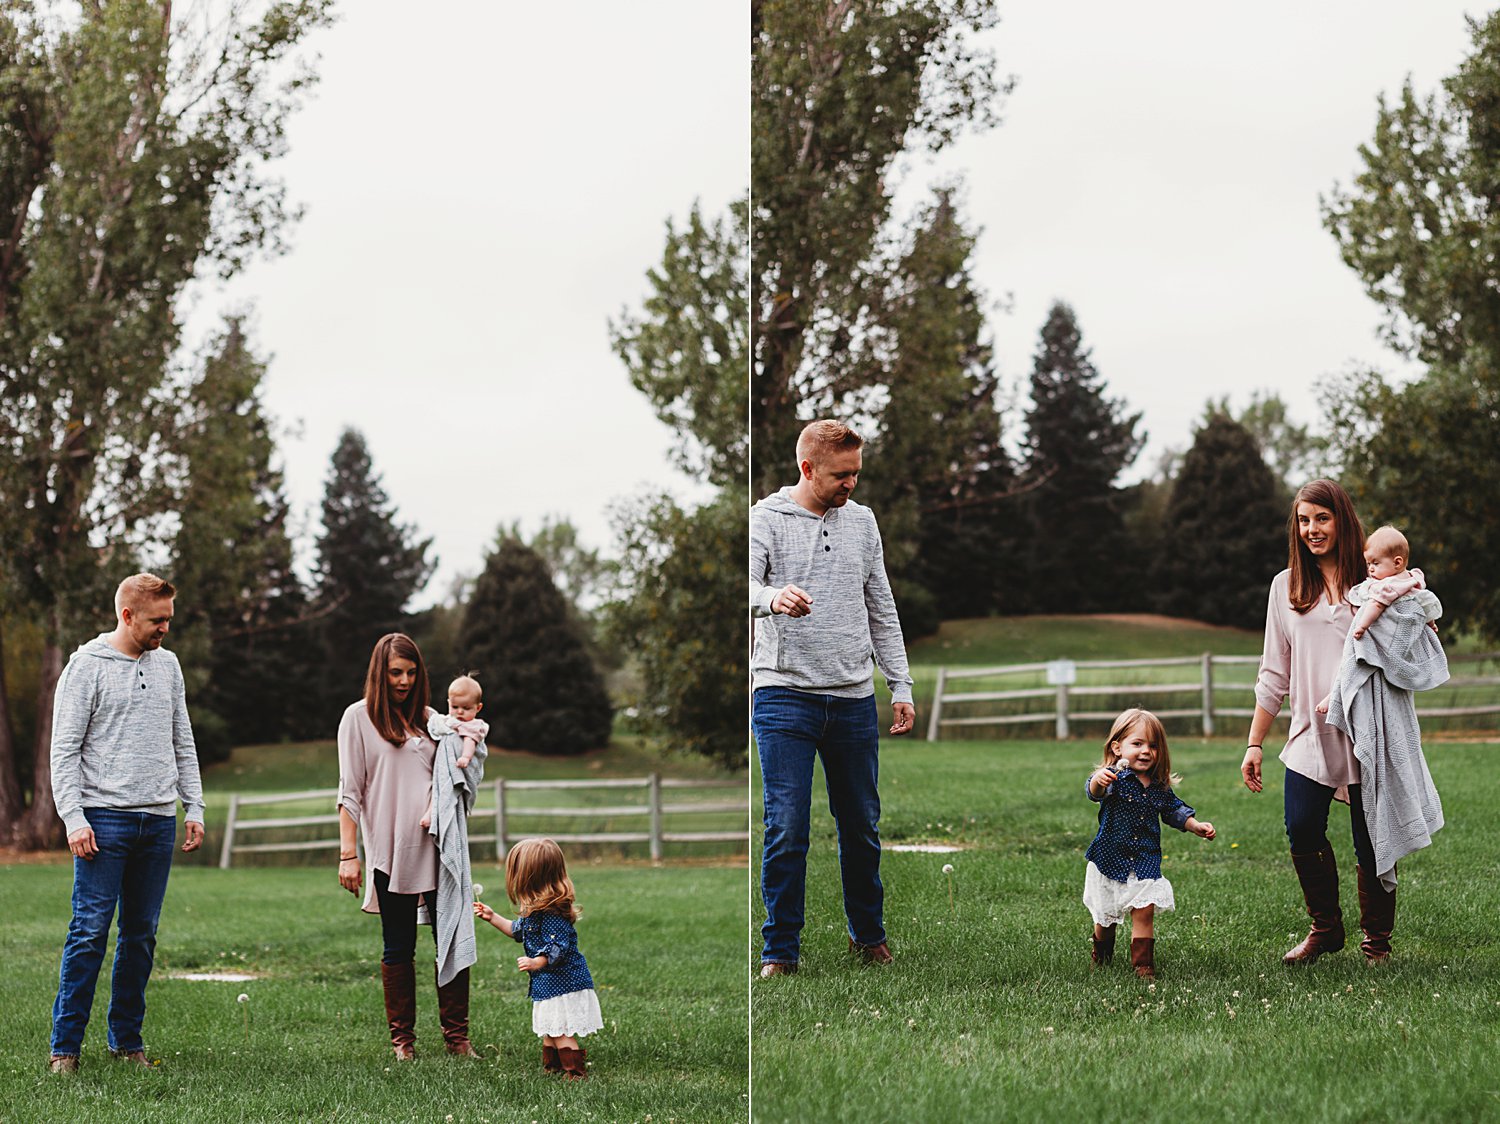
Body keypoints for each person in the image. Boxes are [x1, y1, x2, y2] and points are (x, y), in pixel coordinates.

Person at [749, 419, 915, 978]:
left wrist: (900, 684)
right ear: (807, 468)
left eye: (856, 474)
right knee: (787, 825)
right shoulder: (765, 519)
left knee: (861, 824)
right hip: (783, 694)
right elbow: (743, 587)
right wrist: (772, 598)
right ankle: (780, 951)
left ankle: (868, 936)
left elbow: (882, 607)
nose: (851, 486)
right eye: (841, 475)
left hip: (849, 698)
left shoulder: (863, 522)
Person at [48, 573, 205, 1074]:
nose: (165, 630)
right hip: (102, 822)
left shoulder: (169, 665)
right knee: (90, 933)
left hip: (157, 822)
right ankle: (65, 1049)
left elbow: (183, 738)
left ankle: (125, 1041)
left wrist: (193, 807)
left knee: (140, 935)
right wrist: (73, 817)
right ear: (127, 615)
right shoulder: (85, 667)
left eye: (169, 621)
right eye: (158, 621)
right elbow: (64, 750)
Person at [1241, 479, 1388, 965]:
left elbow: (1411, 623)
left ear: (1341, 519)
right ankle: (1326, 929)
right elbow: (1273, 672)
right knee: (1302, 827)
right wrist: (1254, 743)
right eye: (1304, 520)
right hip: (1309, 730)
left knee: (1372, 838)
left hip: (1366, 730)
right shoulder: (1285, 586)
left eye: (1322, 518)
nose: (1312, 529)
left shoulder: (1371, 583)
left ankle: (1376, 944)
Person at [337, 633, 480, 1060]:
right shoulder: (358, 719)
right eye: (395, 672)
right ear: (379, 674)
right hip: (390, 850)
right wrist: (349, 854)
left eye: (411, 672)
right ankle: (404, 1042)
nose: (403, 680)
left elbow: (462, 766)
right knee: (397, 945)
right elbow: (350, 792)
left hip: (440, 848)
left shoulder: (433, 719)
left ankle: (457, 1039)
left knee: (450, 938)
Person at [1083, 708, 1215, 979]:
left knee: (1144, 911)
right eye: (1137, 744)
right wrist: (1098, 781)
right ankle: (1102, 956)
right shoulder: (1114, 779)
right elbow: (1094, 792)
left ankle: (1143, 967)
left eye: (1153, 746)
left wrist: (1195, 825)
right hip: (1109, 859)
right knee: (1106, 919)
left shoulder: (1158, 786)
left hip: (1145, 861)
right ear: (1118, 748)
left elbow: (1174, 811)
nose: (1146, 751)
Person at [474, 837, 602, 1079]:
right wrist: (492, 917)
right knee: (549, 1028)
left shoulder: (552, 911)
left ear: (529, 877)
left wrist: (537, 962)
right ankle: (552, 1067)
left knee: (559, 1030)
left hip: (563, 982)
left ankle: (575, 1072)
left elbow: (558, 947)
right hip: (549, 983)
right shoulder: (535, 909)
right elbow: (517, 930)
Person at [1316, 525, 1439, 715]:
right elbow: (1426, 605)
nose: (1370, 569)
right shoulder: (1414, 580)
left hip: (1385, 634)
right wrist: (1431, 623)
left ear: (1397, 563)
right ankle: (1337, 691)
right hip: (1394, 638)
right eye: (1368, 564)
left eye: (1375, 563)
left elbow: (1377, 605)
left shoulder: (1387, 587)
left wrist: (1362, 626)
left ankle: (1336, 691)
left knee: (1353, 656)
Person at [421, 675, 488, 830]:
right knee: (438, 785)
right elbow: (437, 727)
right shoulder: (451, 721)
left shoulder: (473, 725)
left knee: (446, 787)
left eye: (466, 708)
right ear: (449, 703)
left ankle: (433, 813)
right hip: (444, 767)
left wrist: (466, 756)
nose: (459, 712)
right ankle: (432, 811)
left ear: (478, 708)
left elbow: (470, 741)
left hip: (461, 764)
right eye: (455, 707)